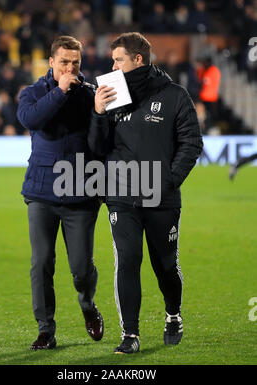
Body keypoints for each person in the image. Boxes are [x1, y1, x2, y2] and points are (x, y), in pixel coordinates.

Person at [88, 32, 203, 354]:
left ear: (138, 60)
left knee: (164, 264)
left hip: (161, 196)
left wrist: (169, 181)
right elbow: (97, 147)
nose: (112, 65)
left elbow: (191, 142)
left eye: (118, 59)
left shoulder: (174, 95)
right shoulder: (111, 95)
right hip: (121, 194)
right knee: (127, 260)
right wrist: (98, 113)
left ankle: (173, 314)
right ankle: (130, 335)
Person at [17, 35, 103, 351]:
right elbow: (32, 120)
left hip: (81, 194)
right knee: (41, 262)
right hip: (41, 193)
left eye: (75, 63)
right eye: (64, 62)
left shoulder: (90, 94)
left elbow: (98, 144)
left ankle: (87, 302)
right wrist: (62, 91)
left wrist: (100, 113)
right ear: (51, 62)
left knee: (81, 269)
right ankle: (45, 330)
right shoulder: (33, 93)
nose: (70, 68)